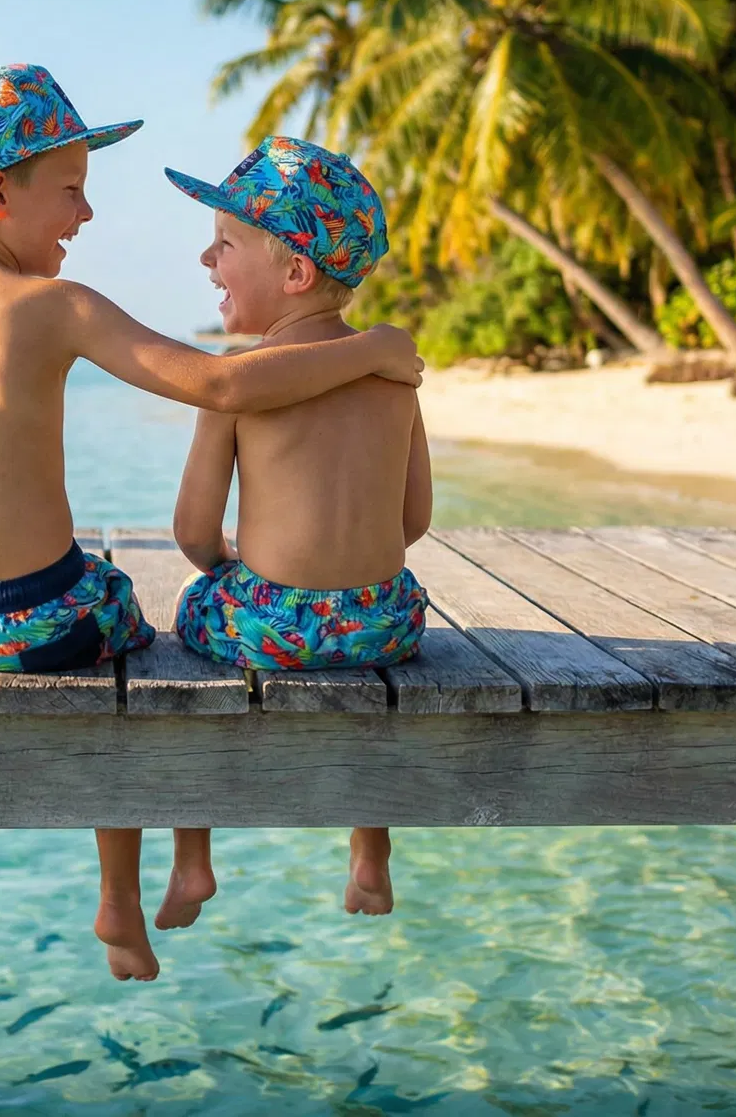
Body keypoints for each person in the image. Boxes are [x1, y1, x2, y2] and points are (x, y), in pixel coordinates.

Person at [0, 67, 425, 981]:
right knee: (118, 626)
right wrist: (373, 351)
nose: (85, 217)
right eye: (74, 190)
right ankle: (119, 900)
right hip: (43, 617)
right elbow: (223, 382)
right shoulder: (56, 307)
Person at [158, 135, 432, 929]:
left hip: (275, 622)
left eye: (226, 244)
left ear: (295, 273)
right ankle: (371, 857)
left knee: (192, 619)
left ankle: (192, 861)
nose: (207, 260)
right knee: (362, 656)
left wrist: (228, 567)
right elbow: (414, 520)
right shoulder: (392, 376)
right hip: (384, 619)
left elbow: (192, 530)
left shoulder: (239, 383)